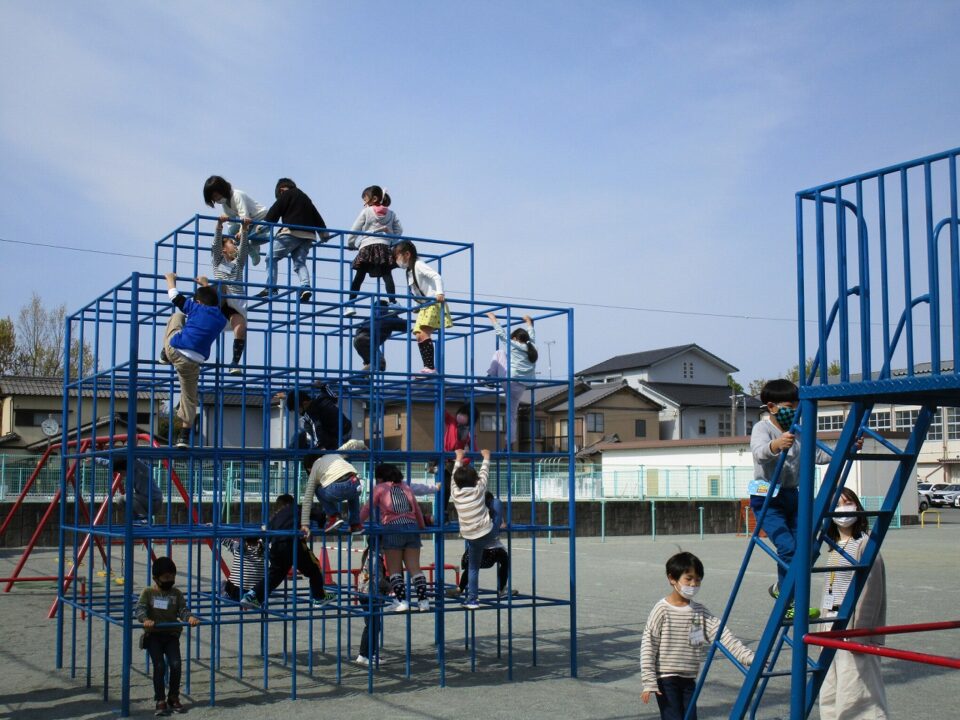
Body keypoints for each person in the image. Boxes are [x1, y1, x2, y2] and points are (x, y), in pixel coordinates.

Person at [749, 378, 847, 618]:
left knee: (810, 548)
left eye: (797, 407)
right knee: (788, 548)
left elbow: (820, 455)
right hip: (767, 495)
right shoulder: (762, 428)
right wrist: (776, 445)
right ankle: (788, 602)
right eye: (789, 407)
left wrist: (847, 447)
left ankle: (781, 588)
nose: (794, 411)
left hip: (793, 495)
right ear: (771, 407)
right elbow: (759, 453)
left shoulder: (800, 430)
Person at [640, 552, 754, 720]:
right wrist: (649, 681)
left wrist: (749, 657)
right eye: (688, 579)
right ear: (672, 578)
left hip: (689, 678)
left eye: (698, 580)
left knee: (690, 717)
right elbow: (649, 645)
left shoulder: (699, 611)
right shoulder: (661, 610)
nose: (693, 584)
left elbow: (723, 635)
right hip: (666, 677)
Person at [818, 487, 888, 720]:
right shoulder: (834, 545)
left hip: (853, 629)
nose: (843, 510)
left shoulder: (864, 544)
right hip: (832, 624)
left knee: (857, 692)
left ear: (857, 507)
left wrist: (860, 633)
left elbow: (871, 592)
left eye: (847, 503)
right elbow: (829, 589)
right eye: (837, 505)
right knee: (830, 689)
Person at [159, 272, 228, 449]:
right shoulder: (221, 319)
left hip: (176, 350)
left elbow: (174, 297)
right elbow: (214, 303)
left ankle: (164, 354)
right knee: (189, 396)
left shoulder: (196, 308)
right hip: (194, 361)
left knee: (177, 317)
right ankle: (184, 436)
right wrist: (206, 286)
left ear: (198, 302)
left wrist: (170, 279)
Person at [240, 494, 333, 609]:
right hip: (293, 543)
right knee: (314, 568)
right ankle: (319, 597)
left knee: (274, 575)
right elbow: (320, 514)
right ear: (291, 503)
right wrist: (321, 525)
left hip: (276, 547)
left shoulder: (275, 517)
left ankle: (252, 595)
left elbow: (265, 535)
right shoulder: (297, 508)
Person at [135, 556, 200, 716]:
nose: (170, 580)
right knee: (159, 666)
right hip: (154, 635)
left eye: (172, 577)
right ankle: (160, 699)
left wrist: (189, 617)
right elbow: (140, 609)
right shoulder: (148, 592)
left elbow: (182, 610)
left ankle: (173, 696)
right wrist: (145, 619)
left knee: (176, 664)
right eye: (166, 577)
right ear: (156, 578)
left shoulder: (176, 593)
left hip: (171, 634)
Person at [360, 463, 428, 612]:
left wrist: (356, 523)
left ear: (380, 477)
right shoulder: (405, 487)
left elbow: (367, 508)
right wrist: (421, 525)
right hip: (412, 527)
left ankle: (401, 601)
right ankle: (423, 601)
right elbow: (416, 509)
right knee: (415, 568)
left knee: (394, 569)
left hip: (392, 528)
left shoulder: (380, 488)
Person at [258, 178, 327, 303]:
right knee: (299, 262)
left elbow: (275, 211)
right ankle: (305, 286)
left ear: (281, 190)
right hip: (308, 236)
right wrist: (323, 233)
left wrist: (262, 227)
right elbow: (315, 214)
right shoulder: (305, 197)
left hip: (292, 232)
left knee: (271, 257)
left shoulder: (287, 194)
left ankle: (271, 287)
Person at [392, 240, 451, 375]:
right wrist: (416, 306)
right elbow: (417, 291)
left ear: (407, 254)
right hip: (425, 305)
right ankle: (427, 367)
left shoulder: (418, 265)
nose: (396, 261)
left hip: (434, 302)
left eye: (397, 256)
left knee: (423, 333)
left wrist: (440, 293)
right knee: (418, 335)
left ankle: (430, 368)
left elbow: (436, 276)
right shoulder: (409, 271)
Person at [202, 215, 250, 375]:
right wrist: (219, 225)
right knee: (220, 286)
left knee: (241, 327)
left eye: (235, 243)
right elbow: (216, 245)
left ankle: (234, 362)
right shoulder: (218, 261)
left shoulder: (238, 264)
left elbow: (244, 249)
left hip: (235, 302)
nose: (235, 245)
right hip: (220, 299)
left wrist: (245, 229)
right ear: (224, 249)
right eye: (231, 243)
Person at [345, 185, 401, 316]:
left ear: (374, 199)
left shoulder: (366, 211)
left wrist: (351, 244)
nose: (364, 203)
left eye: (365, 199)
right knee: (387, 275)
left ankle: (351, 305)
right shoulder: (391, 213)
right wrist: (391, 241)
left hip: (367, 246)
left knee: (359, 276)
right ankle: (393, 302)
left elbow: (354, 229)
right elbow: (399, 231)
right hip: (384, 247)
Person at [447, 492, 515, 599]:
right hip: (492, 549)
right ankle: (502, 588)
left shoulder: (476, 512)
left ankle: (460, 588)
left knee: (472, 567)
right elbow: (501, 525)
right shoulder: (494, 512)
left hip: (478, 546)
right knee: (505, 561)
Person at [450, 447, 494, 610]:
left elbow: (453, 478)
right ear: (475, 480)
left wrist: (458, 457)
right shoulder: (478, 490)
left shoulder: (455, 493)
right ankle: (501, 524)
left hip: (470, 535)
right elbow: (484, 473)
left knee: (473, 568)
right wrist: (486, 456)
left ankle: (473, 600)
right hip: (487, 531)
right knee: (495, 504)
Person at [485, 312, 537, 446]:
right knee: (512, 415)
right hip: (522, 386)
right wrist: (529, 323)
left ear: (514, 338)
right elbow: (532, 335)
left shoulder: (514, 345)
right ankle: (510, 442)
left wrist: (493, 318)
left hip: (510, 381)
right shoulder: (532, 346)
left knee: (499, 353)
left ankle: (490, 378)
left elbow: (501, 334)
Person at [202, 175, 269, 266]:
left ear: (222, 189)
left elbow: (244, 216)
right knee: (233, 234)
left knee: (250, 238)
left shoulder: (237, 195)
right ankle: (253, 250)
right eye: (214, 199)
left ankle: (271, 237)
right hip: (250, 223)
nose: (216, 200)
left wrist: (241, 232)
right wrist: (233, 237)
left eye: (216, 196)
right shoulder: (225, 204)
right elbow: (231, 222)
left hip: (261, 219)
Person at [279, 384, 353, 465]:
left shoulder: (310, 413)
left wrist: (320, 446)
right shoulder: (320, 398)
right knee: (305, 431)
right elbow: (334, 397)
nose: (298, 412)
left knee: (303, 429)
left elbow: (317, 427)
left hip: (337, 439)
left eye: (298, 409)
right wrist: (323, 386)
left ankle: (290, 451)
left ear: (305, 403)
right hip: (347, 430)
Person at [300, 453, 364, 535]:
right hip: (356, 483)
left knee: (316, 488)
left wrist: (304, 524)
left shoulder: (315, 467)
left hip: (336, 489)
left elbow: (308, 498)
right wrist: (362, 447)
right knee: (353, 492)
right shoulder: (335, 455)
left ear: (310, 467)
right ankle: (355, 524)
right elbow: (349, 447)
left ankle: (334, 516)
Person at [355, 543, 391, 667]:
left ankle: (368, 653)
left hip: (365, 591)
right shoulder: (375, 557)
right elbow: (378, 579)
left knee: (373, 625)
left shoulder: (370, 554)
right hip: (370, 593)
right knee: (373, 625)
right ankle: (366, 655)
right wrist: (390, 586)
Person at [352, 300, 407, 372]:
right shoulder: (387, 316)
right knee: (379, 364)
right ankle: (359, 376)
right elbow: (405, 326)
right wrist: (395, 314)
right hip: (367, 340)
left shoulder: (370, 318)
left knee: (371, 362)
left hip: (357, 340)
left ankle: (363, 376)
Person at [109, 456, 162, 524]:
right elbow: (109, 463)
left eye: (121, 472)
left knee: (128, 496)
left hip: (154, 502)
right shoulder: (130, 477)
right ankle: (135, 518)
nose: (121, 474)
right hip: (145, 502)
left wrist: (127, 455)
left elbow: (135, 462)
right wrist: (96, 459)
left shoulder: (142, 472)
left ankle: (145, 518)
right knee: (120, 499)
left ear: (126, 469)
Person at [221, 537, 265, 602]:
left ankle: (226, 594)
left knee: (224, 582)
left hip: (237, 593)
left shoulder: (238, 547)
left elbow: (222, 538)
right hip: (256, 594)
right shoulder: (263, 548)